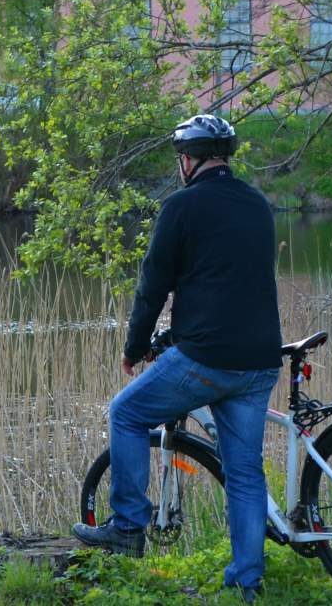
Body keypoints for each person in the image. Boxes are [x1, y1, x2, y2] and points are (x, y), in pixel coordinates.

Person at [72, 113, 282, 600]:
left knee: (125, 412)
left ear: (189, 161)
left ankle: (127, 528)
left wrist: (135, 346)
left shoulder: (181, 207)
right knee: (245, 472)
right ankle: (247, 582)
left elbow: (153, 284)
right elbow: (230, 280)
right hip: (259, 361)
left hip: (206, 359)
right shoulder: (258, 205)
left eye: (181, 158)